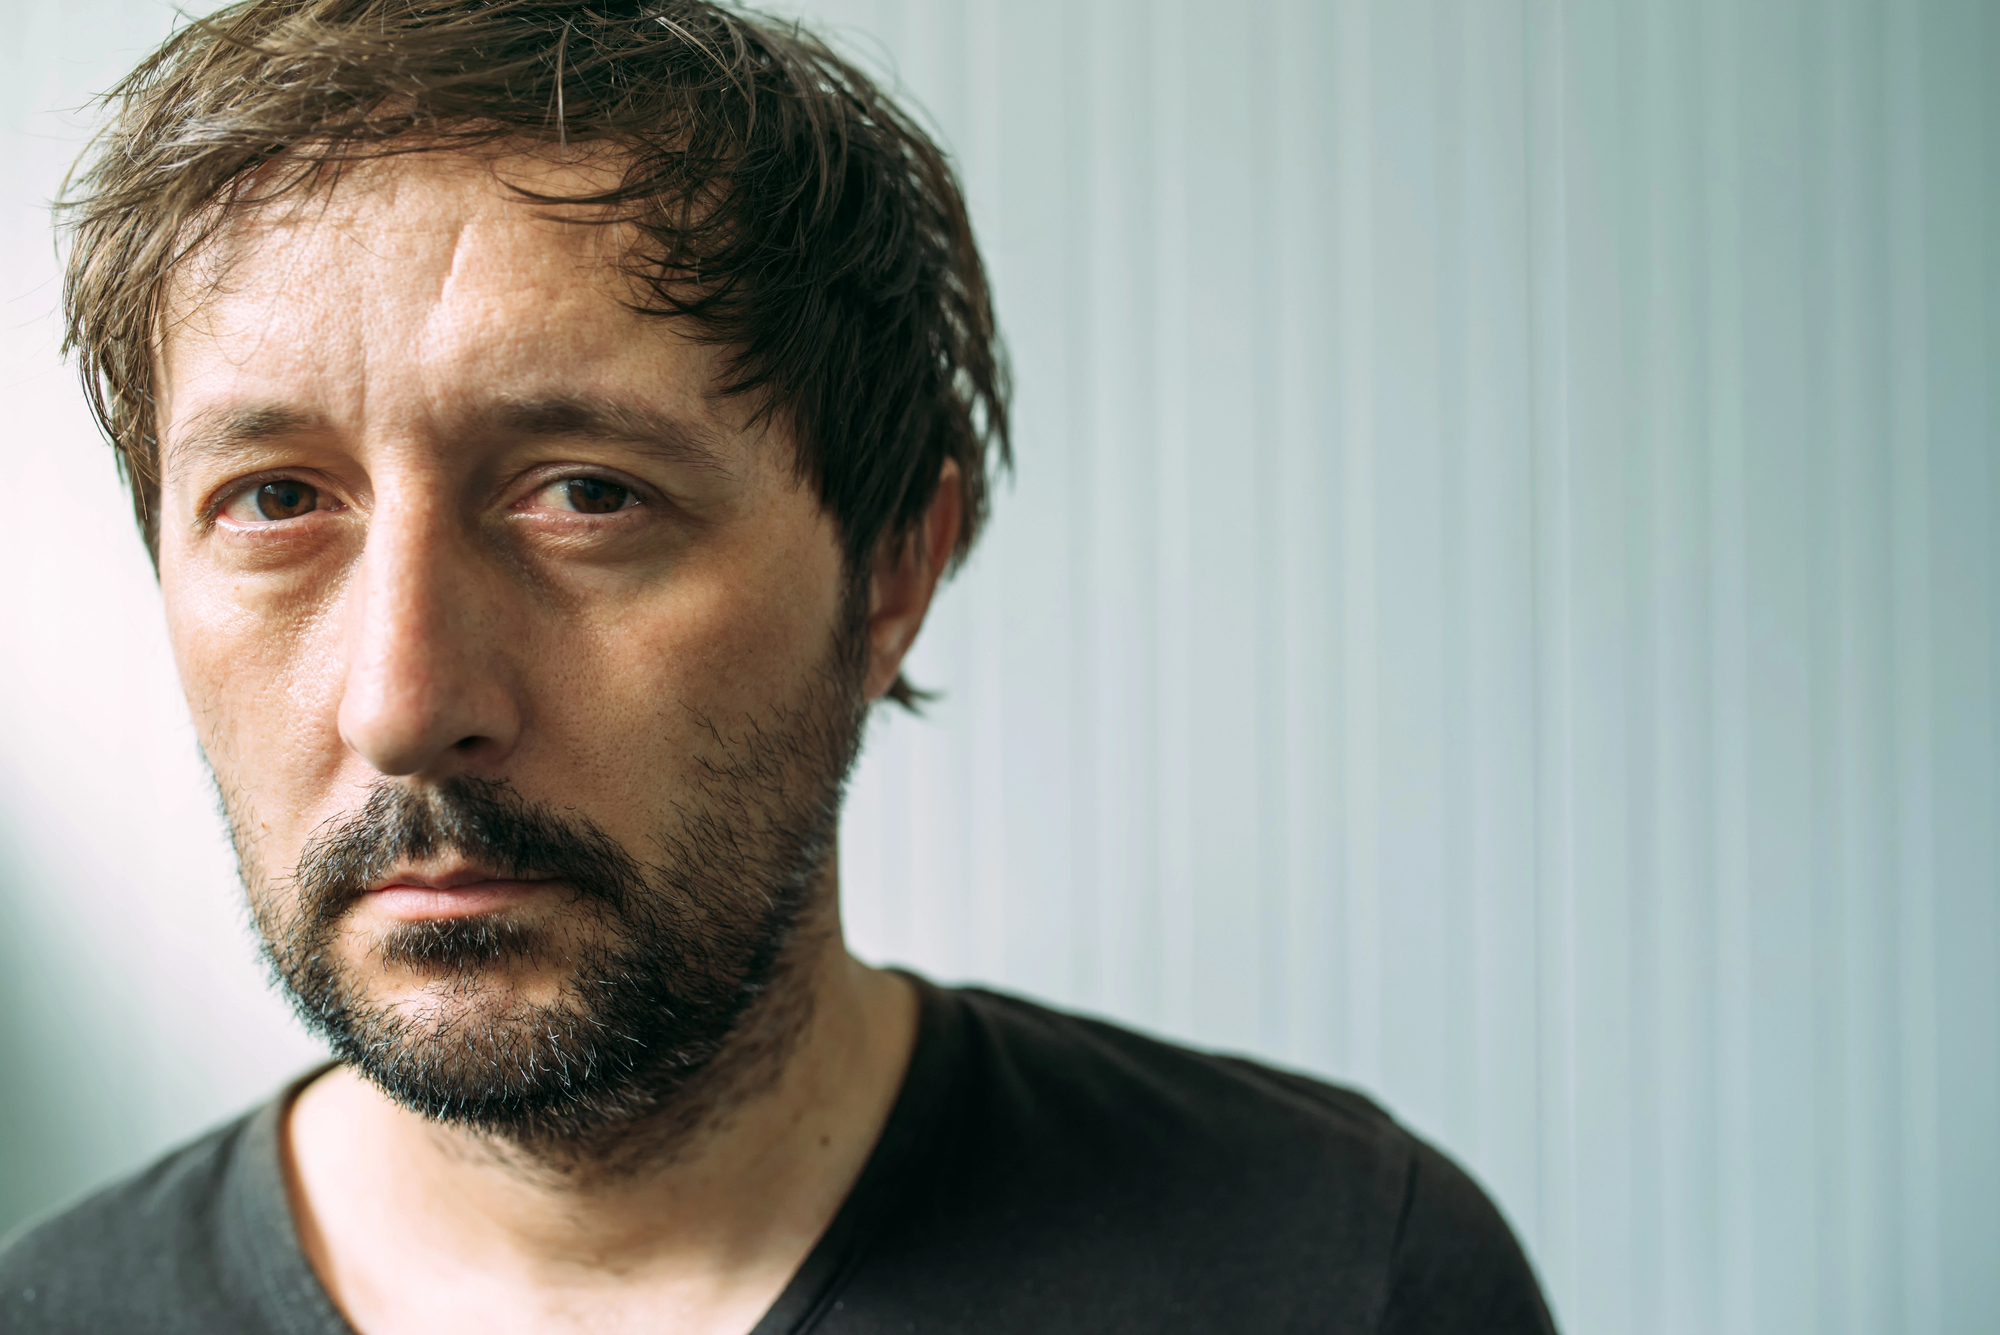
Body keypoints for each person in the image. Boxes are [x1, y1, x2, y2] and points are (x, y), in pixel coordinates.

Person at [0, 2, 1555, 1331]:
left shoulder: (1343, 1276)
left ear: (892, 572)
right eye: (277, 502)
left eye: (586, 494)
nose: (405, 703)